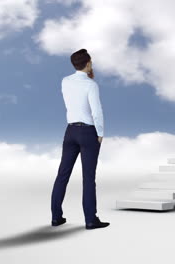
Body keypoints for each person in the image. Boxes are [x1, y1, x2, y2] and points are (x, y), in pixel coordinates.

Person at [51, 49, 109, 230]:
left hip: (70, 131)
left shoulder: (65, 81)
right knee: (88, 178)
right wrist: (100, 133)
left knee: (62, 174)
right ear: (88, 63)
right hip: (88, 132)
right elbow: (96, 111)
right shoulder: (91, 85)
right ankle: (91, 219)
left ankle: (56, 217)